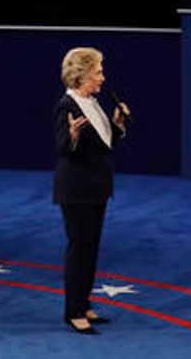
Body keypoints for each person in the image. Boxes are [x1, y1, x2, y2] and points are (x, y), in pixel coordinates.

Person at [53, 47, 130, 335]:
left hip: (97, 188)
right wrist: (72, 135)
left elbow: (101, 143)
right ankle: (73, 311)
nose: (102, 77)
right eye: (98, 72)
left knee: (91, 248)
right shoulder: (66, 105)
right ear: (82, 75)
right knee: (79, 249)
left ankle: (84, 303)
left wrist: (117, 125)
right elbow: (63, 144)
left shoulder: (93, 104)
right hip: (76, 189)